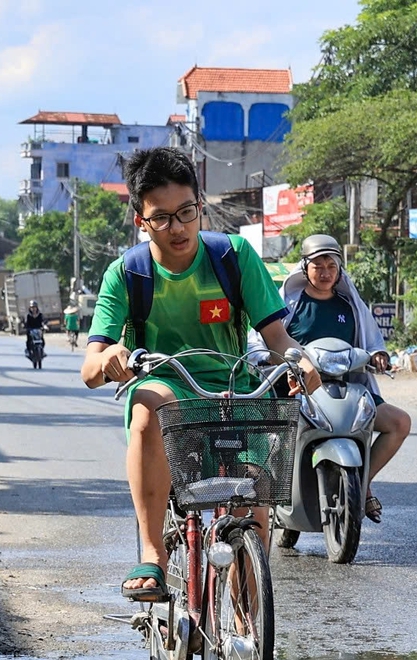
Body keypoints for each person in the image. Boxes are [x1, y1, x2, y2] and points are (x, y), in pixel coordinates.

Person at [81, 145, 319, 602]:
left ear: (199, 206)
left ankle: (247, 636)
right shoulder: (127, 273)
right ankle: (151, 554)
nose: (178, 227)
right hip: (167, 389)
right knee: (150, 403)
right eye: (162, 217)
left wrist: (301, 360)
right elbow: (90, 368)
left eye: (187, 212)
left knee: (254, 529)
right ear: (140, 220)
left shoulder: (234, 256)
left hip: (234, 393)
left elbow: (278, 338)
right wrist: (112, 357)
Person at [280, 233, 410, 525]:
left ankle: (362, 485)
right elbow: (268, 338)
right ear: (304, 268)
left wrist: (378, 354)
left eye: (331, 266)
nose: (325, 272)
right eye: (318, 266)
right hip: (298, 389)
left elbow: (371, 337)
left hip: (347, 386)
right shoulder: (290, 305)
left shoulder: (349, 304)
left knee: (399, 423)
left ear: (339, 269)